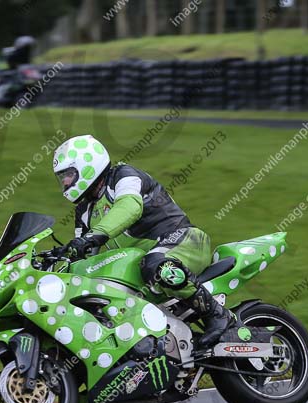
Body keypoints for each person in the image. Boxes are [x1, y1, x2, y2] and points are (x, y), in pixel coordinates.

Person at [53, 134, 232, 348]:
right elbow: (83, 253)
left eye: (68, 175)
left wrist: (93, 236)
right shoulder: (84, 210)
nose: (64, 182)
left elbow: (129, 207)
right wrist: (61, 261)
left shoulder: (123, 176)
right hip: (139, 265)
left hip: (184, 239)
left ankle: (217, 314)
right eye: (61, 177)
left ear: (88, 164)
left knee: (155, 263)